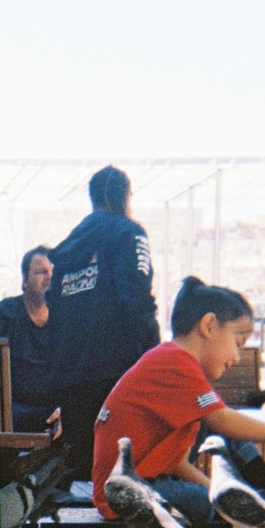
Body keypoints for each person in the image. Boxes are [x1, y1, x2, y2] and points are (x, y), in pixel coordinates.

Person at [92, 276, 265, 526]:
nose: (237, 356)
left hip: (137, 485)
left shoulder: (173, 362)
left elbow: (176, 461)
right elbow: (222, 419)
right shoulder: (176, 362)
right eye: (238, 343)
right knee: (201, 502)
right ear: (209, 325)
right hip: (128, 494)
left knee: (211, 486)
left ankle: (262, 491)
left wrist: (218, 491)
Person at [46, 166, 160, 477]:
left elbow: (53, 312)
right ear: (125, 196)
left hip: (72, 374)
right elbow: (136, 297)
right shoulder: (129, 233)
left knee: (84, 467)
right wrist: (154, 355)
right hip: (117, 371)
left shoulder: (69, 247)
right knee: (120, 471)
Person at [0, 245, 57, 430]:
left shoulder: (68, 319)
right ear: (25, 280)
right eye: (41, 272)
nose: (49, 277)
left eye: (54, 271)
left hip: (54, 412)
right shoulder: (1, 315)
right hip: (11, 412)